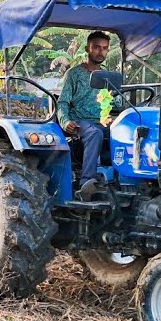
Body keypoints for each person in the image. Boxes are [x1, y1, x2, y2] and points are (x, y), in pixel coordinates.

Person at [58, 30, 112, 197]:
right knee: (95, 133)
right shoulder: (74, 74)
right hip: (80, 121)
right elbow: (62, 102)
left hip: (102, 121)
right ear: (88, 49)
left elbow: (111, 102)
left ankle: (120, 180)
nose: (100, 51)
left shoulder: (107, 76)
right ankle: (87, 183)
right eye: (96, 47)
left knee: (129, 132)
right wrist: (65, 121)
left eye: (104, 48)